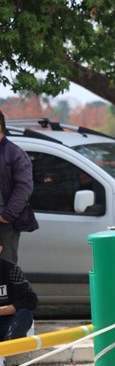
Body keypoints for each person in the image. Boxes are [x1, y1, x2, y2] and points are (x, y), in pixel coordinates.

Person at [0, 110, 38, 264]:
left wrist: (6, 216)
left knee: (4, 272)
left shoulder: (14, 154)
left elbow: (24, 187)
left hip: (4, 225)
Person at [0, 241, 38, 366]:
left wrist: (4, 310)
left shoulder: (10, 268)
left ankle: (4, 350)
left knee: (24, 314)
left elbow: (31, 300)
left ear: (0, 248)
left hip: (8, 321)